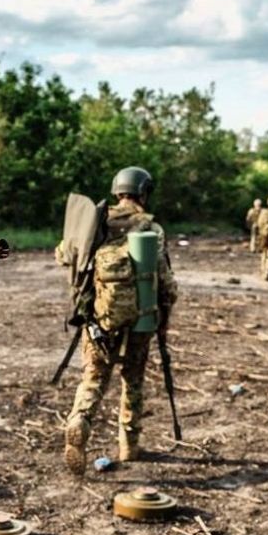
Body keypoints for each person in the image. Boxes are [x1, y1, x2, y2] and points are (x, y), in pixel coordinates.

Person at [62, 167, 177, 475]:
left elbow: (66, 256)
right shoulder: (151, 227)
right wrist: (164, 316)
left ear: (117, 192)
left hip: (98, 318)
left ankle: (79, 420)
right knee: (133, 380)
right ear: (144, 192)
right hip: (140, 319)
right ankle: (129, 445)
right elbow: (165, 281)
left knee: (95, 378)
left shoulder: (96, 222)